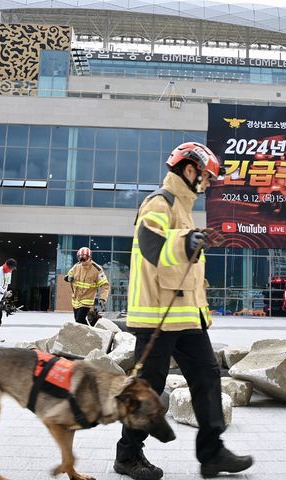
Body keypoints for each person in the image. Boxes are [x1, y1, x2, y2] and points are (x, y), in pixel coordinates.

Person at [113, 142, 253, 479]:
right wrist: (184, 242)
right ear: (189, 170)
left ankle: (212, 453)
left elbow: (185, 267)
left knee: (207, 379)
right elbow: (150, 244)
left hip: (187, 317)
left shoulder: (186, 209)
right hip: (157, 317)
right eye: (205, 176)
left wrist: (192, 241)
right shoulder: (160, 202)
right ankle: (128, 455)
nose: (206, 184)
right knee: (149, 387)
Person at [63, 247, 110, 325]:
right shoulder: (76, 266)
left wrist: (103, 298)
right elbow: (68, 276)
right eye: (80, 257)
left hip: (87, 300)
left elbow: (105, 285)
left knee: (79, 319)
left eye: (84, 257)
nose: (82, 259)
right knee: (78, 321)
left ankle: (90, 334)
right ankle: (89, 332)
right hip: (75, 300)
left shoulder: (97, 269)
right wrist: (68, 278)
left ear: (90, 257)